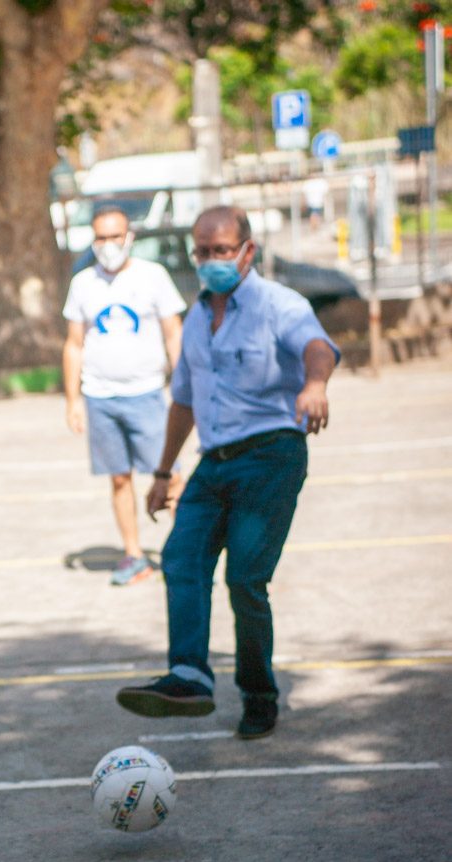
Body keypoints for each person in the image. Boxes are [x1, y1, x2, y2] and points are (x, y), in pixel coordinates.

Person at [116, 204, 340, 737]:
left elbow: (317, 347)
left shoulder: (277, 304)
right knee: (181, 558)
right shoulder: (196, 319)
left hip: (271, 455)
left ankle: (259, 694)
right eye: (204, 251)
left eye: (222, 250)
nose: (213, 260)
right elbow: (185, 401)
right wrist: (164, 471)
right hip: (212, 463)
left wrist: (314, 386)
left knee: (244, 579)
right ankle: (189, 675)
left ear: (247, 252)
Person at [62, 206, 186, 586]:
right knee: (119, 479)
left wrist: (183, 387)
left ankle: (186, 554)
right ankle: (134, 555)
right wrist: (73, 400)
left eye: (115, 236)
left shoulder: (153, 277)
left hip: (147, 394)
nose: (108, 245)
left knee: (172, 479)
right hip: (101, 397)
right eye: (101, 237)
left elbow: (173, 334)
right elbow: (73, 344)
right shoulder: (83, 283)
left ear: (129, 237)